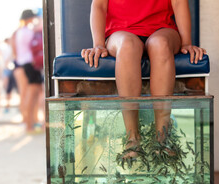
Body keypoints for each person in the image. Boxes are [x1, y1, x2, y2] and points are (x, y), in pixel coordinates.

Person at [81, 0, 207, 158]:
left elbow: (179, 3)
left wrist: (187, 43)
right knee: (127, 46)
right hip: (120, 33)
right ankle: (132, 138)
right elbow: (99, 6)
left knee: (160, 44)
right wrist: (98, 44)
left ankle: (163, 138)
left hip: (163, 30)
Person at [14, 9, 44, 133]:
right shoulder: (28, 32)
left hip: (24, 64)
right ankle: (29, 125)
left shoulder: (20, 32)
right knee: (32, 94)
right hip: (31, 65)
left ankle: (30, 123)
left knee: (30, 94)